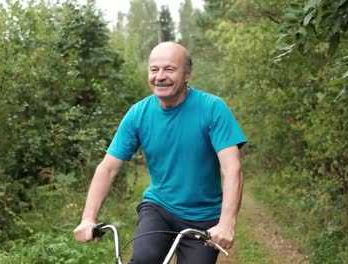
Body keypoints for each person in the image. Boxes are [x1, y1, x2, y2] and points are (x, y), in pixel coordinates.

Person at [73, 42, 247, 264]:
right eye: (154, 69)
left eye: (170, 69)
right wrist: (88, 218)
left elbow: (233, 169)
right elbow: (108, 169)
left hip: (204, 217)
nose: (160, 76)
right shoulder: (138, 114)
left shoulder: (213, 108)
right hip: (159, 209)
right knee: (145, 259)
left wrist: (227, 223)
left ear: (188, 74)